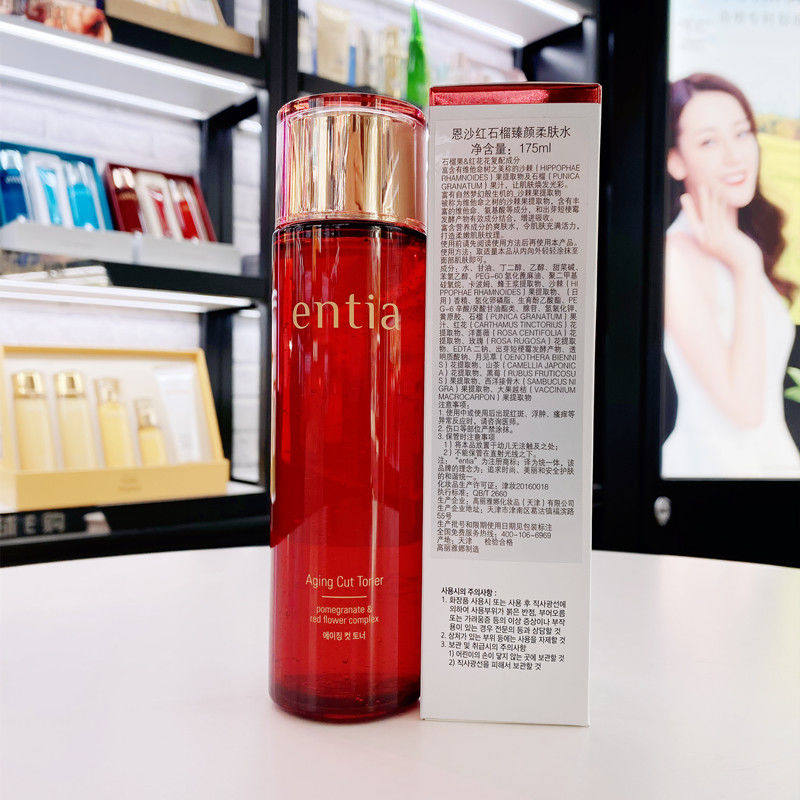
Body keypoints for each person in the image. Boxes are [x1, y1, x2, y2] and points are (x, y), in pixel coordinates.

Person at [663, 73, 799, 478]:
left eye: (741, 134)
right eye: (709, 141)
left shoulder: (739, 247)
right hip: (710, 478)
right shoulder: (675, 257)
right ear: (675, 160)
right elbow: (744, 409)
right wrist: (745, 266)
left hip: (772, 469)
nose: (734, 156)